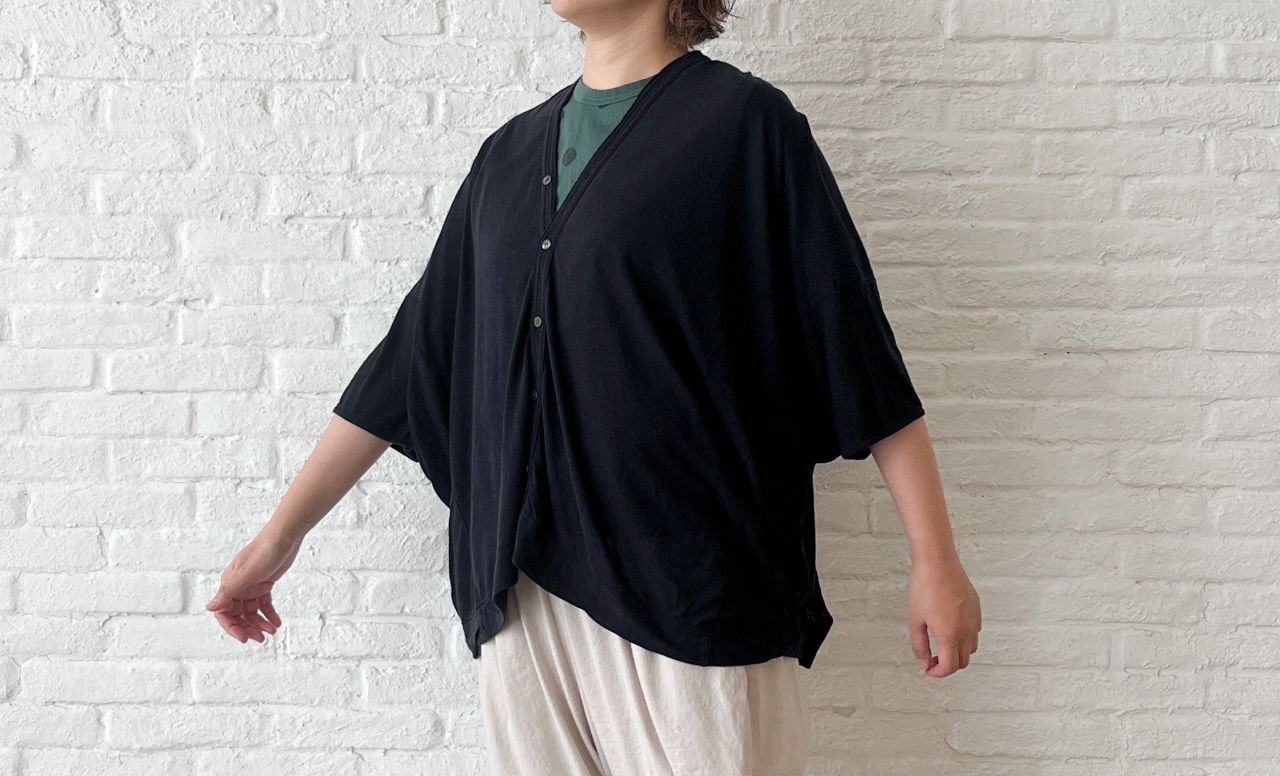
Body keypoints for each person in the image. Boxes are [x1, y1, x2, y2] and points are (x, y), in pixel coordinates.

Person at [206, 1, 982, 773]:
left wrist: (934, 559)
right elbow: (409, 362)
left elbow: (851, 344)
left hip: (691, 590)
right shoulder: (507, 156)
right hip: (522, 592)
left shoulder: (745, 126)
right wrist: (277, 541)